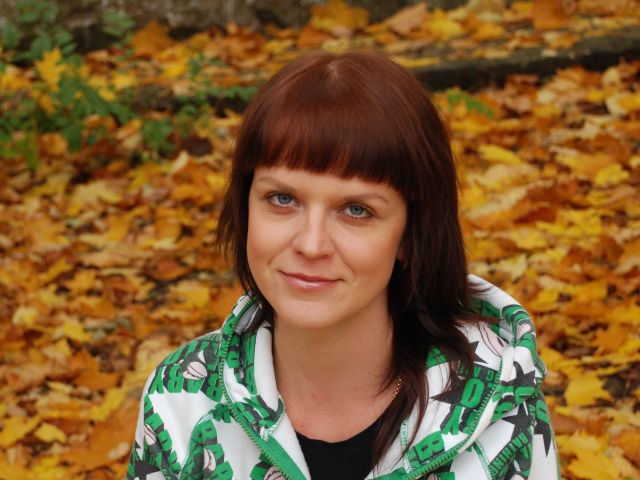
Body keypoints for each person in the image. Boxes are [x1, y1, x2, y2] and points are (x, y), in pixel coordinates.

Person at [127, 50, 559, 480]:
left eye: (356, 210)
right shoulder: (181, 399)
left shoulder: (503, 416)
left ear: (411, 234)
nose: (311, 244)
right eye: (283, 199)